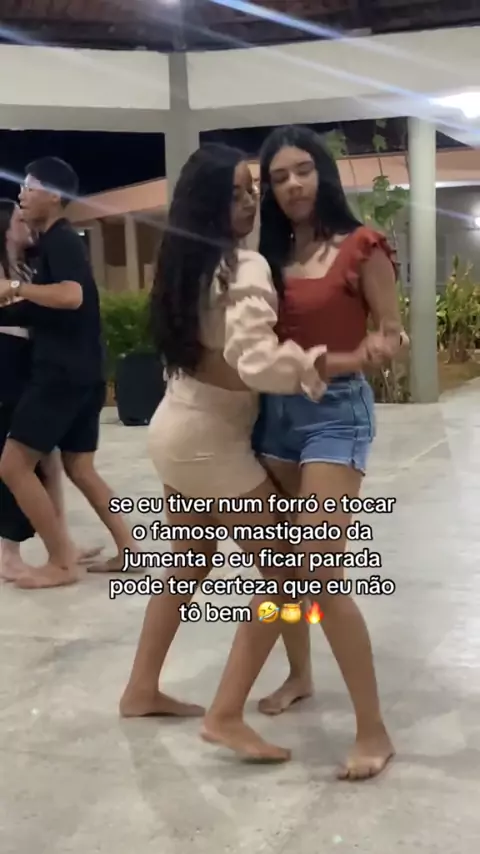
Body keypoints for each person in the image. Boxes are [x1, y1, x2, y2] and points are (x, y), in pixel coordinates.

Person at [120, 143, 388, 761]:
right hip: (211, 441)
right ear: (209, 202)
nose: (250, 202)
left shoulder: (183, 262)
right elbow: (255, 362)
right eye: (238, 192)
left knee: (188, 562)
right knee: (290, 575)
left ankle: (141, 689)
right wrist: (338, 361)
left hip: (176, 427)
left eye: (251, 191)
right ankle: (225, 714)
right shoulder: (243, 266)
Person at [202, 126, 405, 779]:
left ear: (323, 172)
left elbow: (392, 331)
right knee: (281, 571)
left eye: (302, 171)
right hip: (274, 417)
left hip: (336, 415)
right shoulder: (264, 257)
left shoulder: (361, 245)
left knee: (318, 569)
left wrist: (384, 345)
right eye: (278, 177)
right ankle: (299, 674)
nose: (292, 185)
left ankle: (373, 730)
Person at [0, 158, 137, 589]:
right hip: (83, 371)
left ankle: (61, 562)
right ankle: (129, 549)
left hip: (60, 374)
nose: (22, 194)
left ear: (55, 196)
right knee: (80, 467)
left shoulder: (61, 240)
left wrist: (15, 288)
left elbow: (71, 296)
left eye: (30, 186)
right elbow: (49, 309)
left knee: (13, 466)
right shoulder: (53, 245)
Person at [0, 199, 103, 580]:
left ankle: (61, 544)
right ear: (4, 229)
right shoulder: (11, 271)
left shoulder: (28, 267)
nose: (25, 222)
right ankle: (9, 551)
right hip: (10, 367)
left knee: (50, 461)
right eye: (17, 219)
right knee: (13, 461)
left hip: (36, 367)